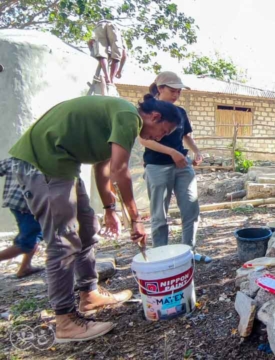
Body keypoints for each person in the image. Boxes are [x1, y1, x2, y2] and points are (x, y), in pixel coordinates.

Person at [8, 95, 183, 342]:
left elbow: (102, 169)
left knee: (87, 228)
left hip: (63, 165)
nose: (159, 138)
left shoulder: (116, 120)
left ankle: (89, 294)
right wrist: (136, 220)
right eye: (162, 131)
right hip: (42, 163)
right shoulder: (128, 117)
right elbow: (119, 171)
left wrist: (110, 207)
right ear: (155, 117)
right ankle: (65, 321)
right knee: (63, 240)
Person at [139, 72, 211, 263]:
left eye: (178, 92)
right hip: (157, 166)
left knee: (191, 208)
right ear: (160, 88)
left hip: (182, 165)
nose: (176, 95)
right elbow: (143, 140)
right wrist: (171, 153)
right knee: (159, 214)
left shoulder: (180, 112)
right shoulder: (148, 111)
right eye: (172, 91)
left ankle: (189, 253)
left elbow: (186, 135)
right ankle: (161, 256)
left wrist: (196, 151)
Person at [0, 158, 43, 278]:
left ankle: (25, 267)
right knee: (26, 242)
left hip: (16, 203)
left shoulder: (15, 159)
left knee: (36, 234)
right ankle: (25, 267)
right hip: (29, 205)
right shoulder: (43, 158)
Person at [90, 20, 127, 91]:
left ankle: (107, 78)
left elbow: (90, 42)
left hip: (99, 25)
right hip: (113, 26)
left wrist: (94, 53)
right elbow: (124, 55)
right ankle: (111, 80)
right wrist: (119, 70)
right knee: (116, 54)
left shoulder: (95, 39)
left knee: (102, 53)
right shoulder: (121, 37)